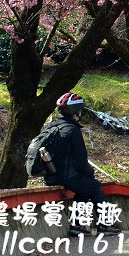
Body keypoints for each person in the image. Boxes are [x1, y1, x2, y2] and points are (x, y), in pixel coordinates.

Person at [42, 92, 121, 236]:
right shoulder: (72, 130)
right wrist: (90, 173)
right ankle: (105, 224)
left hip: (51, 176)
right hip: (65, 176)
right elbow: (81, 162)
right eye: (80, 110)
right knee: (95, 186)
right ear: (76, 111)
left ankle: (76, 226)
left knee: (84, 189)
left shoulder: (51, 127)